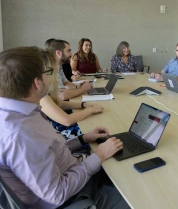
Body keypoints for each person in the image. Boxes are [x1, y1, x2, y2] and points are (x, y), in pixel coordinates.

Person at [0, 47, 127, 208]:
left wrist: (82, 138)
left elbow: (50, 150)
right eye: (47, 72)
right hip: (74, 197)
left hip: (73, 170)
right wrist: (99, 155)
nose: (51, 76)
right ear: (37, 83)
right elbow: (57, 194)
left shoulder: (20, 112)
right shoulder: (20, 134)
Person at [40, 48, 104, 139]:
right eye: (56, 64)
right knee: (94, 127)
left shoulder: (48, 88)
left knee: (95, 122)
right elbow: (67, 121)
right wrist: (91, 110)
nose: (58, 67)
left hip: (60, 125)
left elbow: (60, 104)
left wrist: (84, 105)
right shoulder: (42, 96)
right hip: (59, 132)